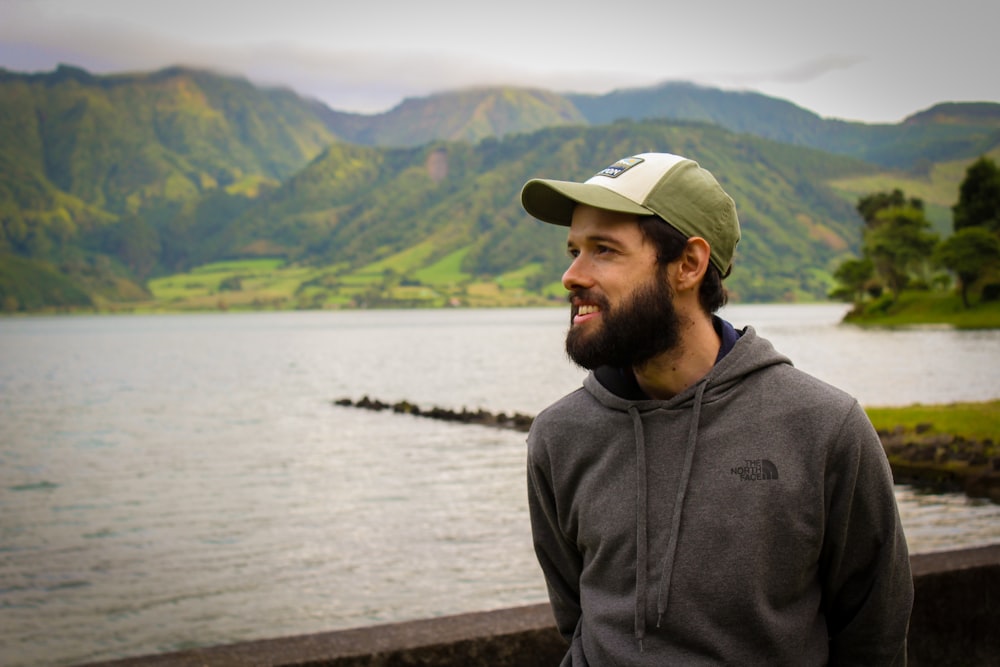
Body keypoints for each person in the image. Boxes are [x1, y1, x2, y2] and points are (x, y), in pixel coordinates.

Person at [520, 152, 913, 666]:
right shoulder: (559, 435)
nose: (571, 275)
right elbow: (576, 617)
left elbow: (874, 636)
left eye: (604, 250)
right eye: (574, 249)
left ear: (688, 264)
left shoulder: (823, 427)